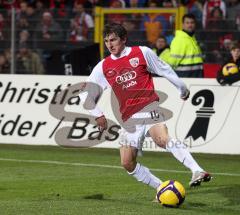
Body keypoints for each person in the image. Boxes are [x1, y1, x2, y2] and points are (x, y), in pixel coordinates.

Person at [82, 23, 212, 192]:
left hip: (149, 107)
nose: (109, 44)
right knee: (127, 163)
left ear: (124, 39)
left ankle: (197, 170)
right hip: (129, 119)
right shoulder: (103, 67)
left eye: (113, 40)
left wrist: (182, 88)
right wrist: (98, 114)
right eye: (106, 41)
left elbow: (165, 69)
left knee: (162, 139)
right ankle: (162, 188)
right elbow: (86, 94)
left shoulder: (142, 52)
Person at [165, 13, 204, 77]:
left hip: (195, 75)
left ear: (195, 24)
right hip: (185, 76)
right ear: (183, 25)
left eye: (192, 22)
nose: (190, 25)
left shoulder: (193, 39)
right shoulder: (179, 39)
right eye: (187, 23)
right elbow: (172, 61)